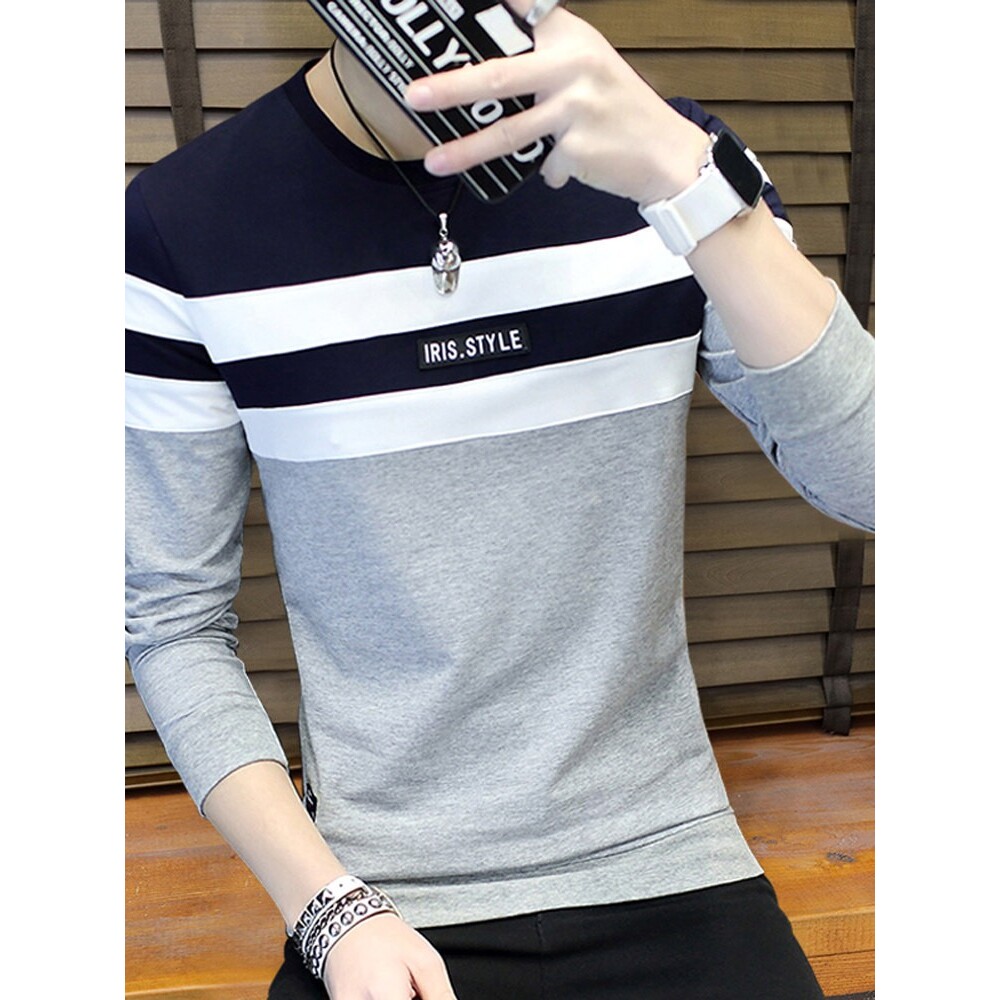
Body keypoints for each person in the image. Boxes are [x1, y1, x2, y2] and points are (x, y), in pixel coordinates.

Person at [125, 2, 874, 998]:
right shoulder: (181, 223)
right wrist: (329, 909)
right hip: (376, 895)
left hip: (668, 853)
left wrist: (688, 182)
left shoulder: (675, 162)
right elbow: (172, 621)